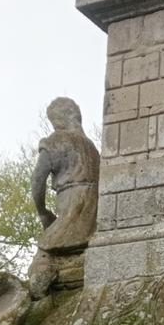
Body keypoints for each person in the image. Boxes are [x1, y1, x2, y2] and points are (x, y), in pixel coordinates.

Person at [30, 96, 100, 254]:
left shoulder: (57, 140)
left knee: (43, 257)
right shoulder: (94, 150)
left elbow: (37, 180)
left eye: (53, 120)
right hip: (93, 217)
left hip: (71, 213)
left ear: (59, 119)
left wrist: (42, 212)